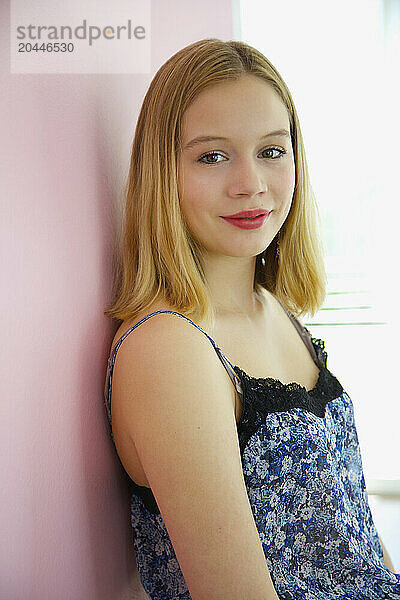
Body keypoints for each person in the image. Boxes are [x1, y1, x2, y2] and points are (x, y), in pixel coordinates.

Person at [104, 38, 400, 600]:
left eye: (271, 150)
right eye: (212, 156)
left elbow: (356, 543)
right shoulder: (168, 347)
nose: (251, 183)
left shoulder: (276, 310)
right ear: (162, 172)